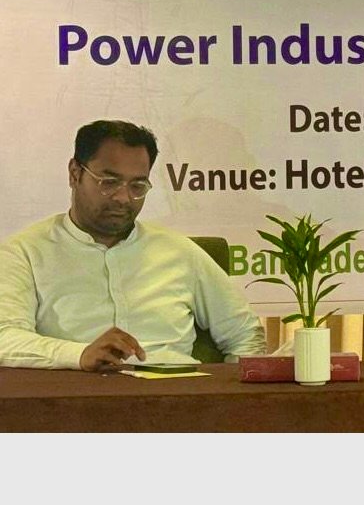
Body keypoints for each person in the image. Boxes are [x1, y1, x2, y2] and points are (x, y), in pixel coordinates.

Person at [0, 120, 265, 371]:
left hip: (177, 395)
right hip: (77, 395)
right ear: (75, 173)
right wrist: (79, 355)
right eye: (109, 182)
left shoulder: (179, 252)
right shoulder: (24, 253)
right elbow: (5, 337)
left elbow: (245, 334)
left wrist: (231, 394)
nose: (123, 198)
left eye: (137, 186)